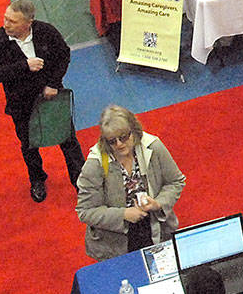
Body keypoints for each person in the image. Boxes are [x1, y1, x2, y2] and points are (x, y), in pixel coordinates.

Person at [0, 0, 85, 202]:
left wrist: (54, 83)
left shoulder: (46, 32)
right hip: (21, 103)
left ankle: (81, 182)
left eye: (12, 21)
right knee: (29, 145)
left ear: (28, 23)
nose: (5, 24)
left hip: (51, 98)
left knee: (68, 140)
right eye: (5, 18)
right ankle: (37, 180)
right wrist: (24, 65)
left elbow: (63, 55)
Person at [76, 105, 186, 259]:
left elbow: (175, 181)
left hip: (156, 229)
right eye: (112, 141)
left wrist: (158, 203)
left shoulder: (153, 146)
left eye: (123, 137)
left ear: (134, 131)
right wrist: (124, 214)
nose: (119, 144)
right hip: (115, 243)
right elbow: (86, 211)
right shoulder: (95, 165)